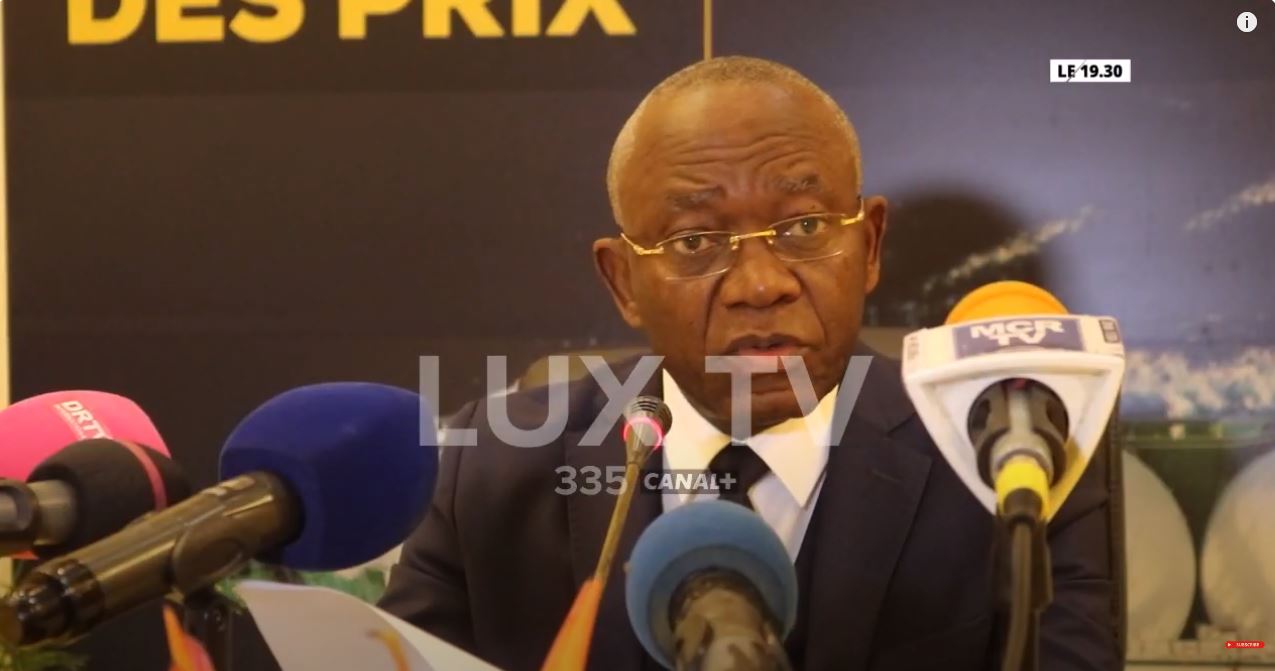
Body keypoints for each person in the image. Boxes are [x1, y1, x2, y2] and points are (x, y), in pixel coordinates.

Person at [379, 56, 1121, 670]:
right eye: (694, 241)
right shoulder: (490, 475)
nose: (760, 285)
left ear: (868, 246)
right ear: (622, 281)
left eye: (804, 226)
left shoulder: (1010, 461)